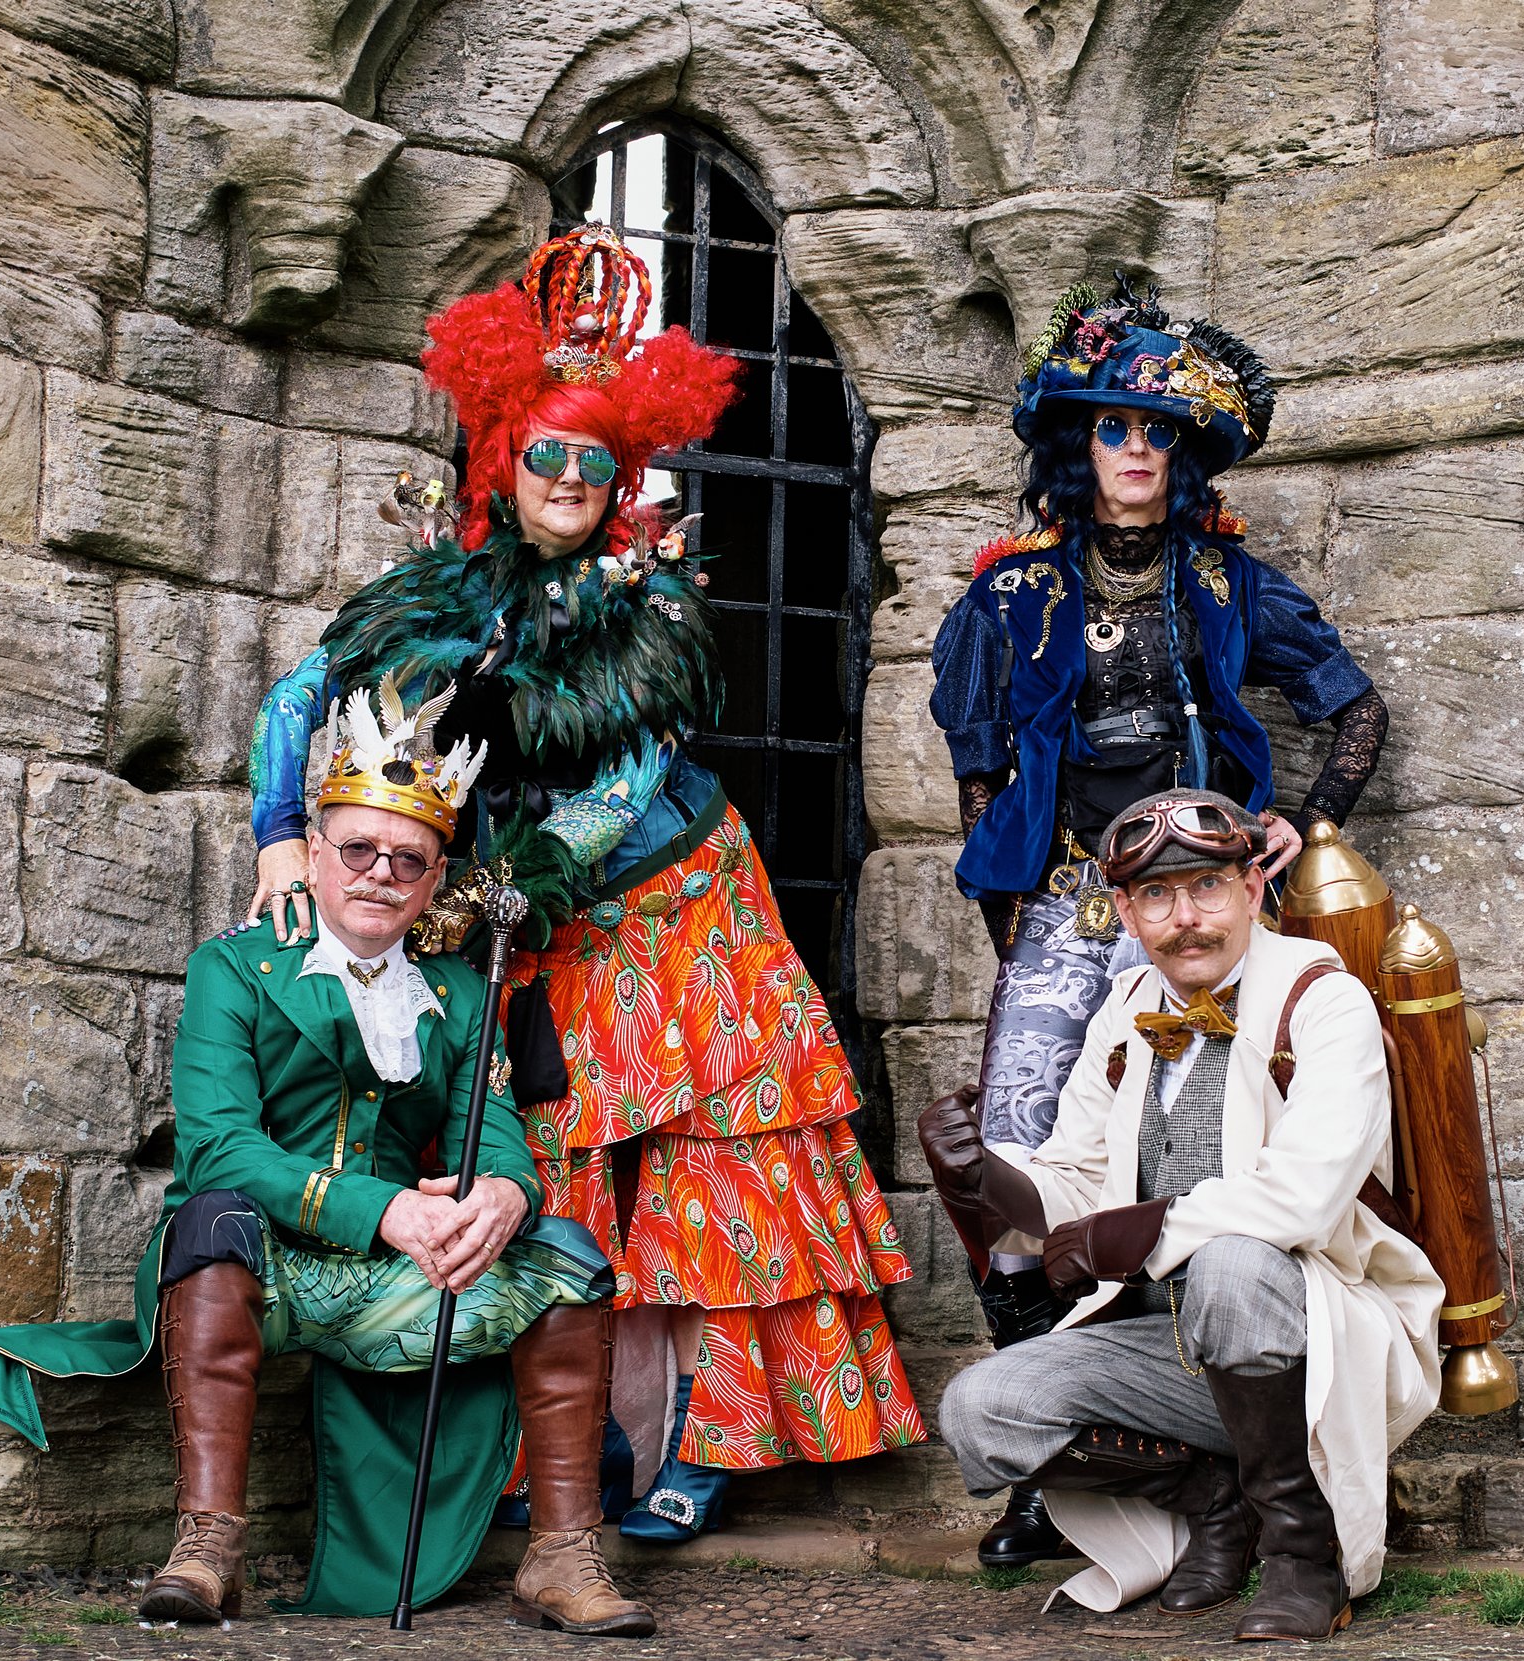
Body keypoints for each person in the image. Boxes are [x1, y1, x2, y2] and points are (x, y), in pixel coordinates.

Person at [241, 226, 922, 1555]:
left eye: (593, 460)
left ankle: (705, 1449)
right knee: (548, 1173)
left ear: (624, 479)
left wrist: (520, 879)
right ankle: (569, 1446)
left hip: (673, 908)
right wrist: (280, 834)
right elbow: (300, 694)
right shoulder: (437, 595)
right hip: (522, 921)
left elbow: (623, 782)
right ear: (507, 459)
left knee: (706, 1179)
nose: (567, 476)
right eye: (546, 452)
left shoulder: (651, 609)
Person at [0, 683, 650, 1635]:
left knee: (568, 1259)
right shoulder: (233, 966)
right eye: (358, 848)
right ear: (314, 856)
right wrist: (387, 1210)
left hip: (394, 1278)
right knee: (212, 1214)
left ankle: (561, 1556)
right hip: (255, 1265)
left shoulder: (463, 993)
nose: (380, 872)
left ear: (434, 883)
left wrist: (507, 1196)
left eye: (409, 859)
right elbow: (221, 1145)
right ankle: (208, 1544)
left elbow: (496, 1128)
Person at [926, 279, 1390, 1568]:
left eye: (1156, 432)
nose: (1134, 449)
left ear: (1180, 457)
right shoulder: (1012, 595)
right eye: (1113, 428)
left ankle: (1235, 1450)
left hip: (1204, 900)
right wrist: (1015, 923)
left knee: (1222, 1141)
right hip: (1072, 894)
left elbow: (1352, 707)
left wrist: (1307, 819)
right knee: (1012, 1157)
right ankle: (1045, 1459)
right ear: (1079, 448)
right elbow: (980, 773)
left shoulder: (1229, 583)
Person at [920, 788, 1442, 1640]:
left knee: (1235, 1264)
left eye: (1205, 887)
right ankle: (1216, 1501)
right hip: (1164, 1340)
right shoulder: (1124, 1007)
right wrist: (983, 1183)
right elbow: (1075, 1185)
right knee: (983, 1407)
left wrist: (1138, 1230)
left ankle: (1304, 1553)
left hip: (1315, 1332)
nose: (1185, 917)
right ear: (1126, 910)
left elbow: (1305, 1192)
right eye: (1157, 896)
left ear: (1250, 890)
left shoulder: (1323, 999)